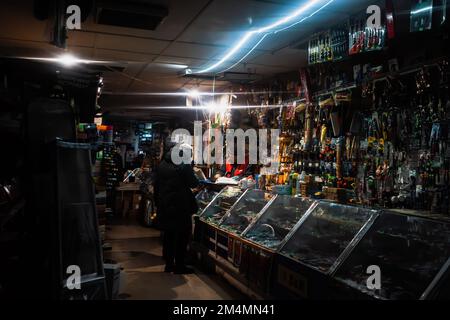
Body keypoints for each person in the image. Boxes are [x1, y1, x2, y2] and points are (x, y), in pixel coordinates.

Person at [154, 140, 199, 274]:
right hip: (180, 207)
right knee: (182, 237)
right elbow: (193, 183)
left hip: (165, 205)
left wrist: (158, 203)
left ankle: (169, 265)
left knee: (169, 236)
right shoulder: (183, 164)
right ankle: (179, 266)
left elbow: (157, 186)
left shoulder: (162, 164)